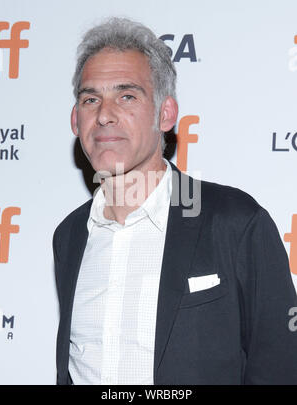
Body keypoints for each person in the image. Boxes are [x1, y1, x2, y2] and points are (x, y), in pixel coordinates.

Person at [53, 17, 297, 385]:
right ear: (75, 119)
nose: (104, 115)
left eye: (127, 96)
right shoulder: (69, 236)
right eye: (91, 99)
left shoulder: (233, 221)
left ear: (165, 114)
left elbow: (282, 364)